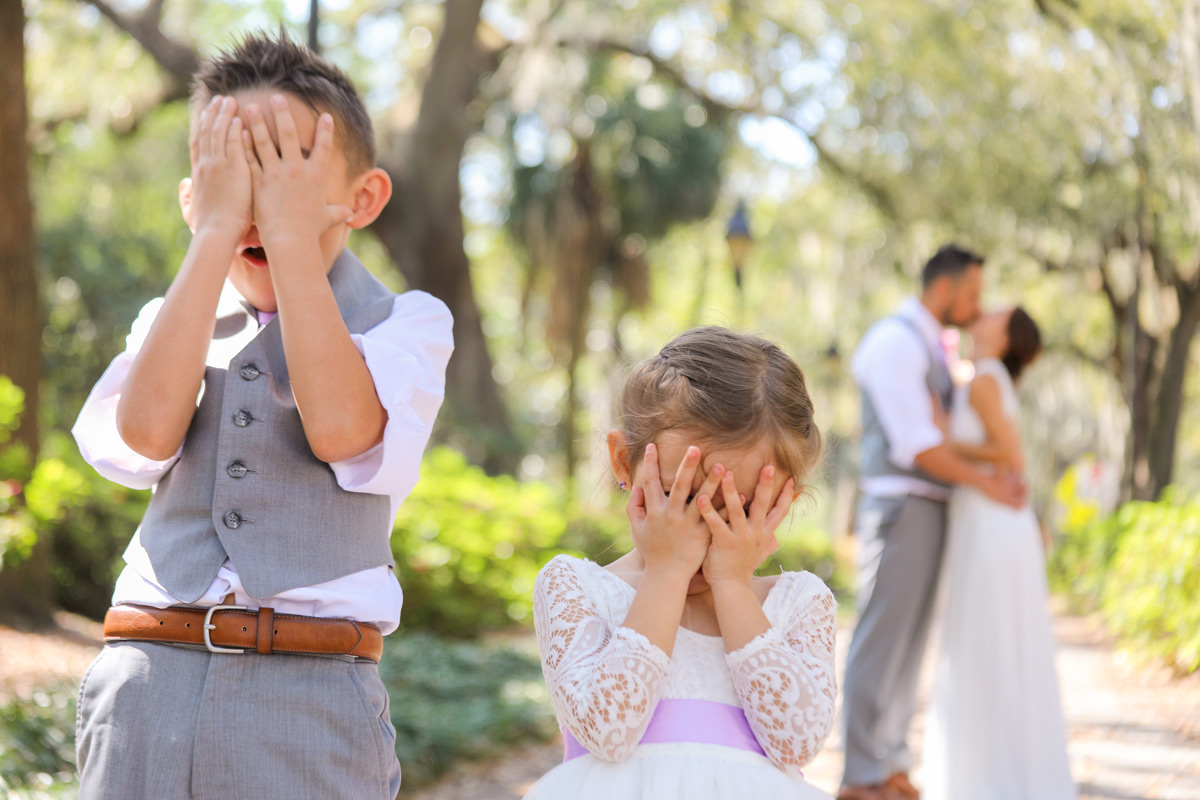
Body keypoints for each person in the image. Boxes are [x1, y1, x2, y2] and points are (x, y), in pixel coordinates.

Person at [70, 32, 453, 800]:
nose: (258, 204)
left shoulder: (406, 324)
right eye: (233, 176)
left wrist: (290, 239)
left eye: (285, 169)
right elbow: (143, 438)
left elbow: (345, 432)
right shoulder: (170, 320)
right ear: (194, 196)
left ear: (364, 198)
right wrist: (217, 235)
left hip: (310, 694)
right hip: (146, 678)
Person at [524, 326, 837, 800]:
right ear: (623, 463)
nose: (702, 529)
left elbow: (795, 743)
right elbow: (609, 731)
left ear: (784, 499)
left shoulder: (799, 603)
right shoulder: (575, 587)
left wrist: (730, 582)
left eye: (736, 507)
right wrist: (666, 575)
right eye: (681, 497)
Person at [840, 245, 1026, 800]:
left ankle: (890, 758)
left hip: (929, 508)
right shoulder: (895, 342)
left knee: (909, 641)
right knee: (881, 637)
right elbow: (917, 445)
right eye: (972, 295)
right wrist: (991, 483)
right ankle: (861, 773)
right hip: (900, 507)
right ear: (944, 289)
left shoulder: (931, 347)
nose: (977, 306)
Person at [923, 307, 1076, 800]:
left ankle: (994, 778)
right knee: (994, 641)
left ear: (1006, 337)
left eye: (995, 314)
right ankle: (998, 771)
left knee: (988, 640)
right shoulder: (984, 378)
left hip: (992, 522)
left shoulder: (986, 379)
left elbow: (1013, 455)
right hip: (987, 518)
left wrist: (950, 440)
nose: (982, 314)